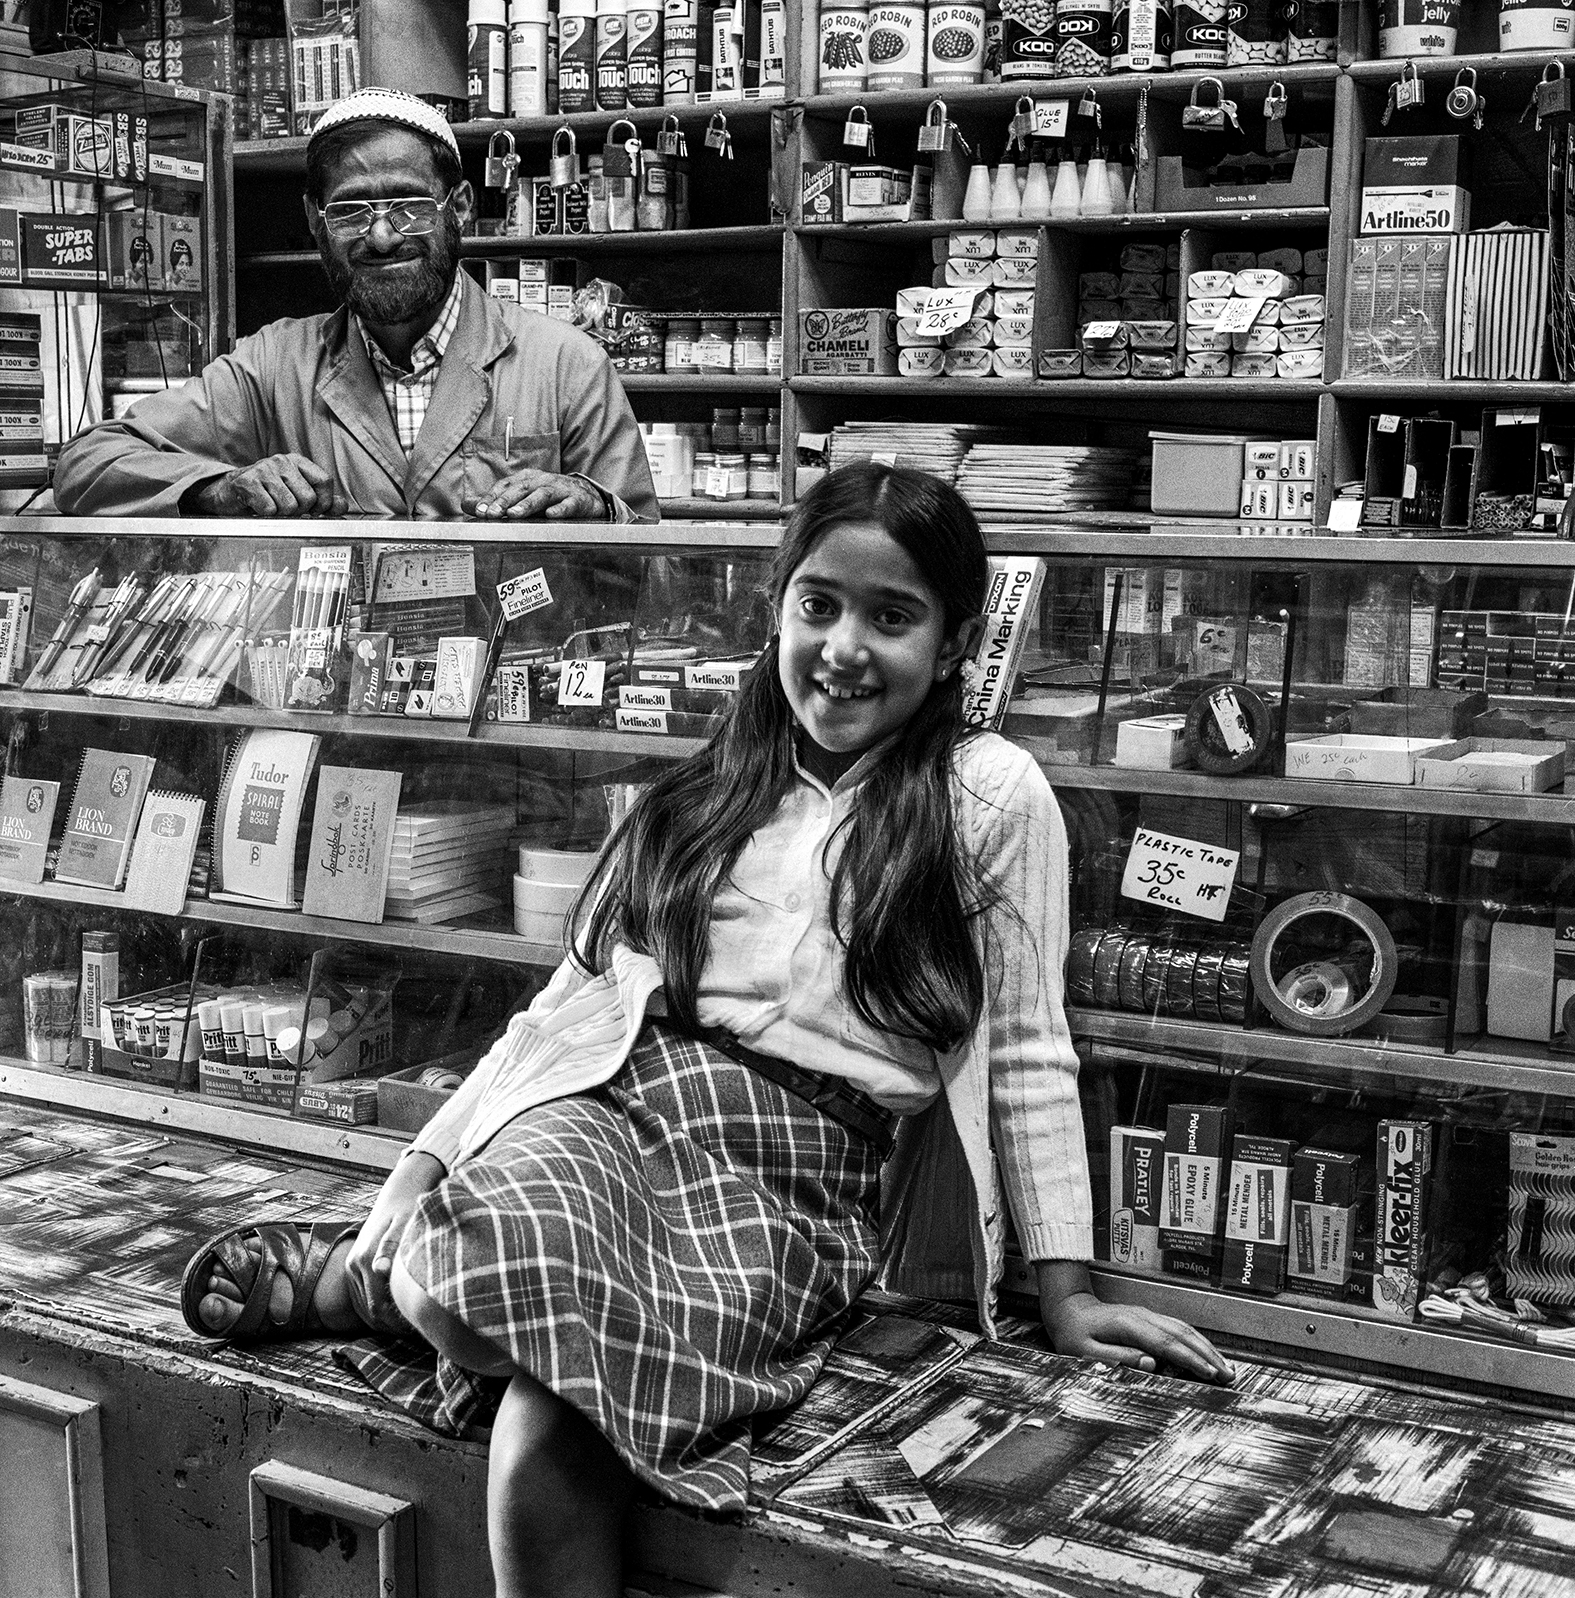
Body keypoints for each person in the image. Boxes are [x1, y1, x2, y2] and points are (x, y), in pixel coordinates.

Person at [178, 464, 1232, 1598]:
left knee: (546, 1389)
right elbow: (566, 1009)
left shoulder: (991, 792)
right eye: (817, 604)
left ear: (954, 639)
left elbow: (1028, 1046)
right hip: (620, 1104)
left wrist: (1068, 1291)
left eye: (893, 616)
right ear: (776, 604)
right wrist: (417, 1164)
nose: (843, 647)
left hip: (795, 1179)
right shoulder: (704, 790)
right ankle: (403, 1262)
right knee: (470, 1287)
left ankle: (355, 1282)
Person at [53, 88, 657, 523]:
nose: (383, 236)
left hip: (515, 684)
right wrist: (220, 488)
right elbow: (87, 464)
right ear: (317, 222)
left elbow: (654, 555)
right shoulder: (273, 367)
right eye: (350, 210)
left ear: (462, 207)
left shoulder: (565, 363)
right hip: (335, 693)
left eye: (410, 205)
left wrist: (596, 506)